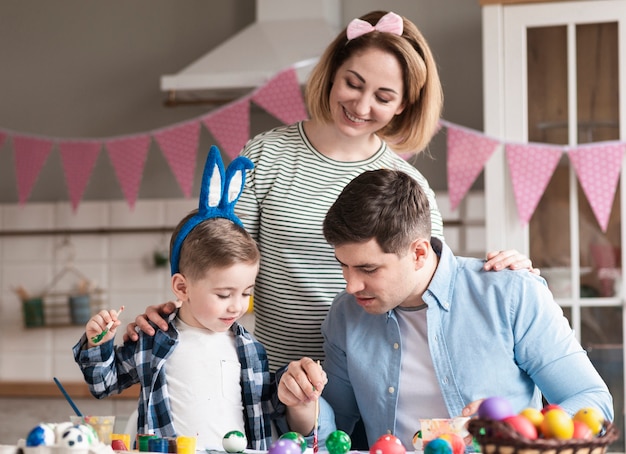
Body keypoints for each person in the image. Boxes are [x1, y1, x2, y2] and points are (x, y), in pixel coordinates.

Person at [125, 10, 535, 372]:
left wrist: (501, 275)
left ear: (404, 106)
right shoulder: (266, 155)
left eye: (383, 96)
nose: (361, 104)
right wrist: (181, 309)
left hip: (372, 382)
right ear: (332, 74)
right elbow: (216, 258)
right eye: (353, 84)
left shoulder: (406, 187)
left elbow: (432, 289)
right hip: (271, 375)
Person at [277, 168, 614, 450]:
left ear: (419, 253)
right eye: (344, 267)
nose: (351, 286)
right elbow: (338, 428)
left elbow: (594, 402)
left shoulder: (511, 292)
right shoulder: (346, 314)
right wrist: (304, 404)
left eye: (368, 269)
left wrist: (513, 426)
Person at [73, 147, 335, 450]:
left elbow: (270, 407)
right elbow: (103, 384)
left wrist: (294, 387)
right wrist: (97, 343)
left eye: (246, 293)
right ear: (182, 288)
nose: (237, 305)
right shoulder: (152, 339)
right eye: (224, 294)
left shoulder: (250, 349)